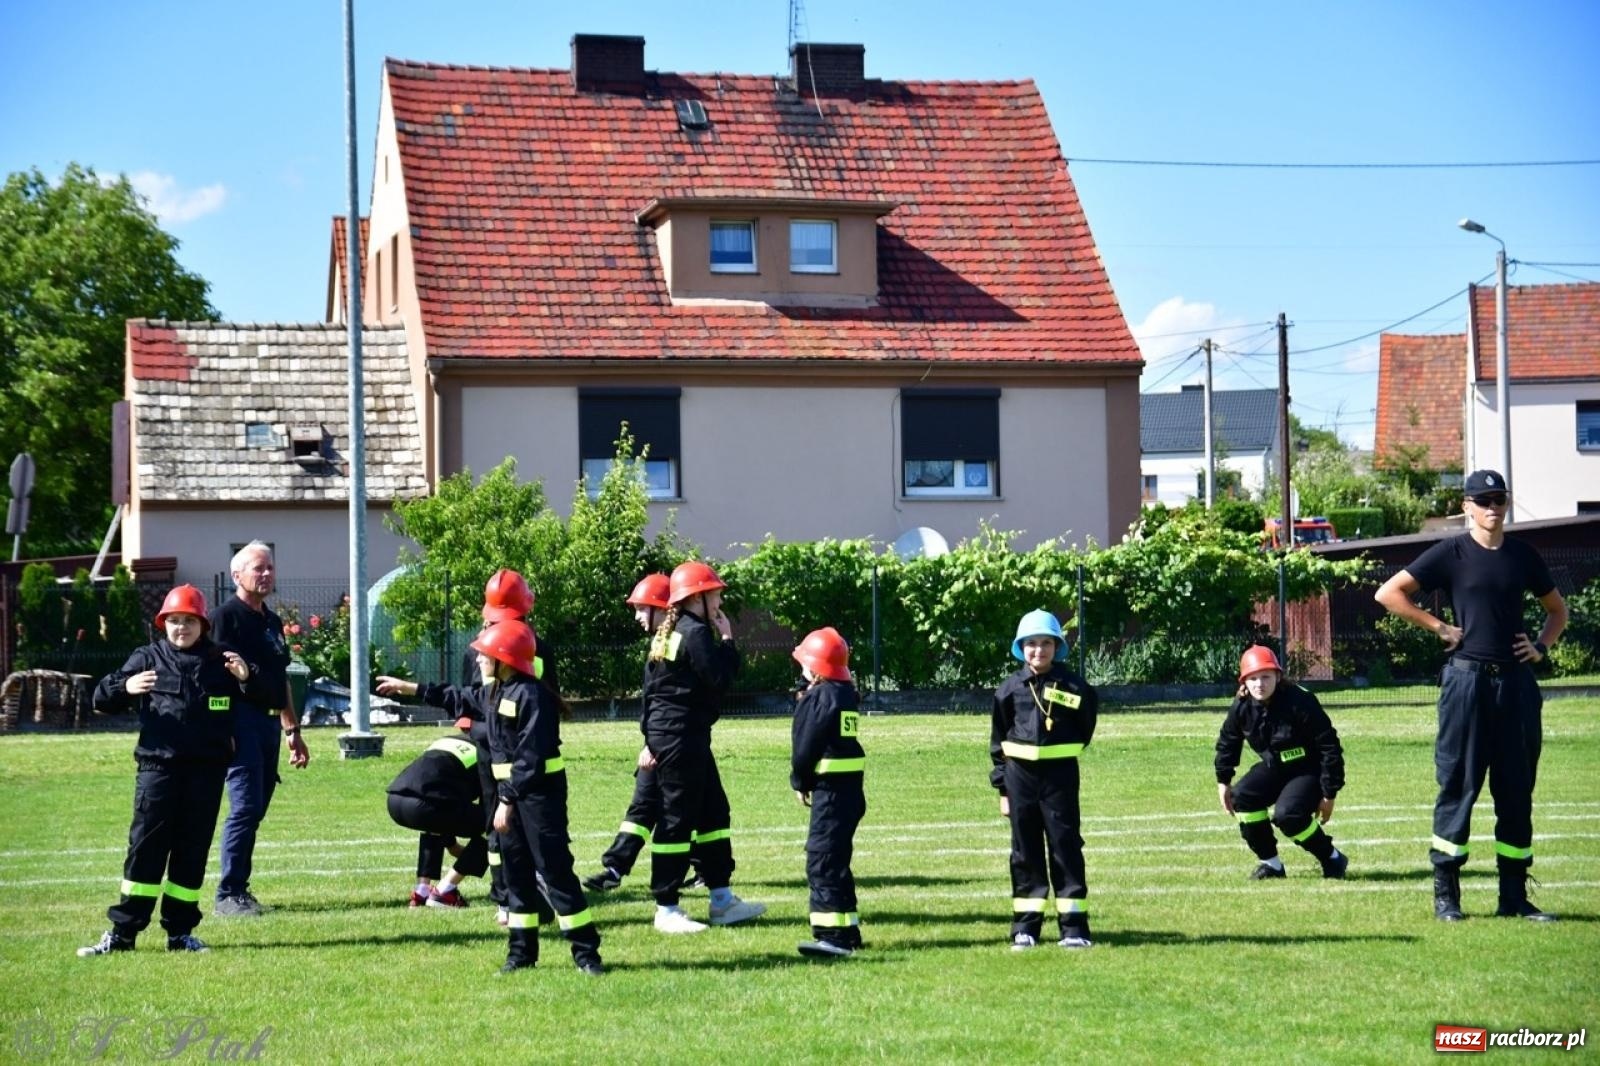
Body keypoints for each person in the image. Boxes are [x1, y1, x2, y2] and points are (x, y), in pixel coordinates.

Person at [1375, 469, 1568, 922]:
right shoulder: (1451, 552)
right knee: (1459, 785)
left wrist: (1540, 646)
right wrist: (1439, 626)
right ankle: (1447, 898)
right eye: (1482, 501)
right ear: (1466, 507)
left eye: (1498, 499)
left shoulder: (1523, 555)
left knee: (1516, 790)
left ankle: (1514, 898)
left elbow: (1557, 610)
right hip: (1467, 683)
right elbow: (1389, 593)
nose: (1491, 508)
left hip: (1516, 686)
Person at [383, 622, 600, 974]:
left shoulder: (531, 696)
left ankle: (587, 955)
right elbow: (457, 697)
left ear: (506, 659)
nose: (479, 658)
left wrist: (507, 800)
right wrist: (411, 688)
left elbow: (531, 757)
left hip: (536, 798)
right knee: (516, 876)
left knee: (556, 871)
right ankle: (521, 955)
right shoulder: (495, 692)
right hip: (510, 797)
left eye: (486, 653)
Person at [78, 585, 267, 956]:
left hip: (206, 774)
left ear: (203, 624)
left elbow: (270, 697)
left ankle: (180, 934)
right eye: (174, 621)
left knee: (192, 852)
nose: (182, 628)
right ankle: (123, 934)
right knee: (145, 850)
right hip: (158, 770)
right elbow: (100, 698)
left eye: (189, 621)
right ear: (163, 624)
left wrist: (247, 678)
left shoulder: (223, 661)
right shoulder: (146, 658)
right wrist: (126, 687)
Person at [639, 561, 765, 933]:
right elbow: (719, 679)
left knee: (713, 813)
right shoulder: (694, 632)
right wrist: (728, 642)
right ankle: (666, 908)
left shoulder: (669, 632)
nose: (721, 599)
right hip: (681, 737)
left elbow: (651, 692)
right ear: (698, 597)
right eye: (716, 593)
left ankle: (722, 899)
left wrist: (649, 738)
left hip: (680, 736)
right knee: (677, 820)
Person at [584, 574, 703, 895]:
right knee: (642, 806)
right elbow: (654, 699)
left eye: (641, 609)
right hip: (663, 742)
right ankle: (615, 867)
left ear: (661, 609)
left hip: (676, 744)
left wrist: (654, 743)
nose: (637, 617)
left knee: (694, 810)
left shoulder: (681, 638)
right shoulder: (664, 640)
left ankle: (705, 872)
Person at [211, 542, 309, 917]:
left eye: (270, 567)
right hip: (241, 721)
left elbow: (279, 676)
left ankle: (240, 889)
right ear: (237, 576)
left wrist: (292, 731)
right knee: (245, 807)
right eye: (257, 568)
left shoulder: (271, 621)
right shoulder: (226, 617)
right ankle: (228, 894)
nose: (266, 574)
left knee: (256, 809)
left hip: (269, 723)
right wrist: (223, 727)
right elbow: (215, 679)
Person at [991, 609, 1097, 950]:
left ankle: (1074, 928)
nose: (1039, 651)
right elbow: (998, 742)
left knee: (1066, 846)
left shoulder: (1075, 687)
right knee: (1025, 851)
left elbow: (1085, 727)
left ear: (1058, 647)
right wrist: (1003, 788)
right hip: (1020, 779)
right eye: (1032, 644)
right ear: (1022, 648)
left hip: (1060, 779)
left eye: (1046, 643)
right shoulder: (1008, 690)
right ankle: (1025, 927)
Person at [1215, 646, 1348, 881]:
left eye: (1265, 676)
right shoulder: (1242, 706)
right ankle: (1272, 865)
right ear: (1244, 681)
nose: (1259, 684)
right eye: (1253, 678)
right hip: (1275, 768)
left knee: (1288, 815)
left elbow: (1329, 746)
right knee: (1242, 797)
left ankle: (1332, 858)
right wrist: (1223, 781)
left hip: (1309, 770)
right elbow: (1228, 741)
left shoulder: (1300, 700)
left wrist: (1329, 793)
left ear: (1278, 675)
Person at [790, 627, 866, 959]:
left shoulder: (820, 697)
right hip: (849, 792)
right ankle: (848, 930)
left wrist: (800, 781)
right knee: (837, 860)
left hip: (830, 792)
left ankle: (832, 937)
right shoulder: (845, 693)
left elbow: (805, 748)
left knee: (821, 861)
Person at [386, 717, 495, 909]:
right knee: (495, 828)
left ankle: (421, 891)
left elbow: (443, 792)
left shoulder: (447, 741)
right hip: (428, 805)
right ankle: (445, 890)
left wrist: (452, 844)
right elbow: (490, 806)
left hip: (396, 801)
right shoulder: (488, 753)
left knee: (434, 825)